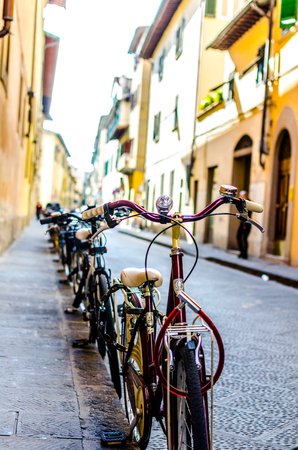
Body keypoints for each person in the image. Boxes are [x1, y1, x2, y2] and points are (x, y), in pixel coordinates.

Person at [237, 190, 251, 259]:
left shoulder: (249, 203)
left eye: (242, 196)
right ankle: (241, 252)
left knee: (244, 238)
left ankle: (245, 254)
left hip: (247, 223)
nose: (241, 198)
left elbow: (248, 214)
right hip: (242, 223)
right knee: (238, 237)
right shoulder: (242, 203)